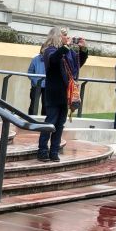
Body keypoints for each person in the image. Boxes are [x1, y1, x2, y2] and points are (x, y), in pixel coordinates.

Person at [37, 27, 87, 162]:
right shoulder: (49, 51)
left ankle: (54, 151)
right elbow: (54, 61)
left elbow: (77, 64)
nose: (67, 38)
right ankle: (42, 150)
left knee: (60, 124)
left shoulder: (67, 52)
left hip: (66, 93)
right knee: (50, 121)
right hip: (54, 92)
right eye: (65, 35)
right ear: (57, 37)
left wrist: (83, 50)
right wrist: (66, 47)